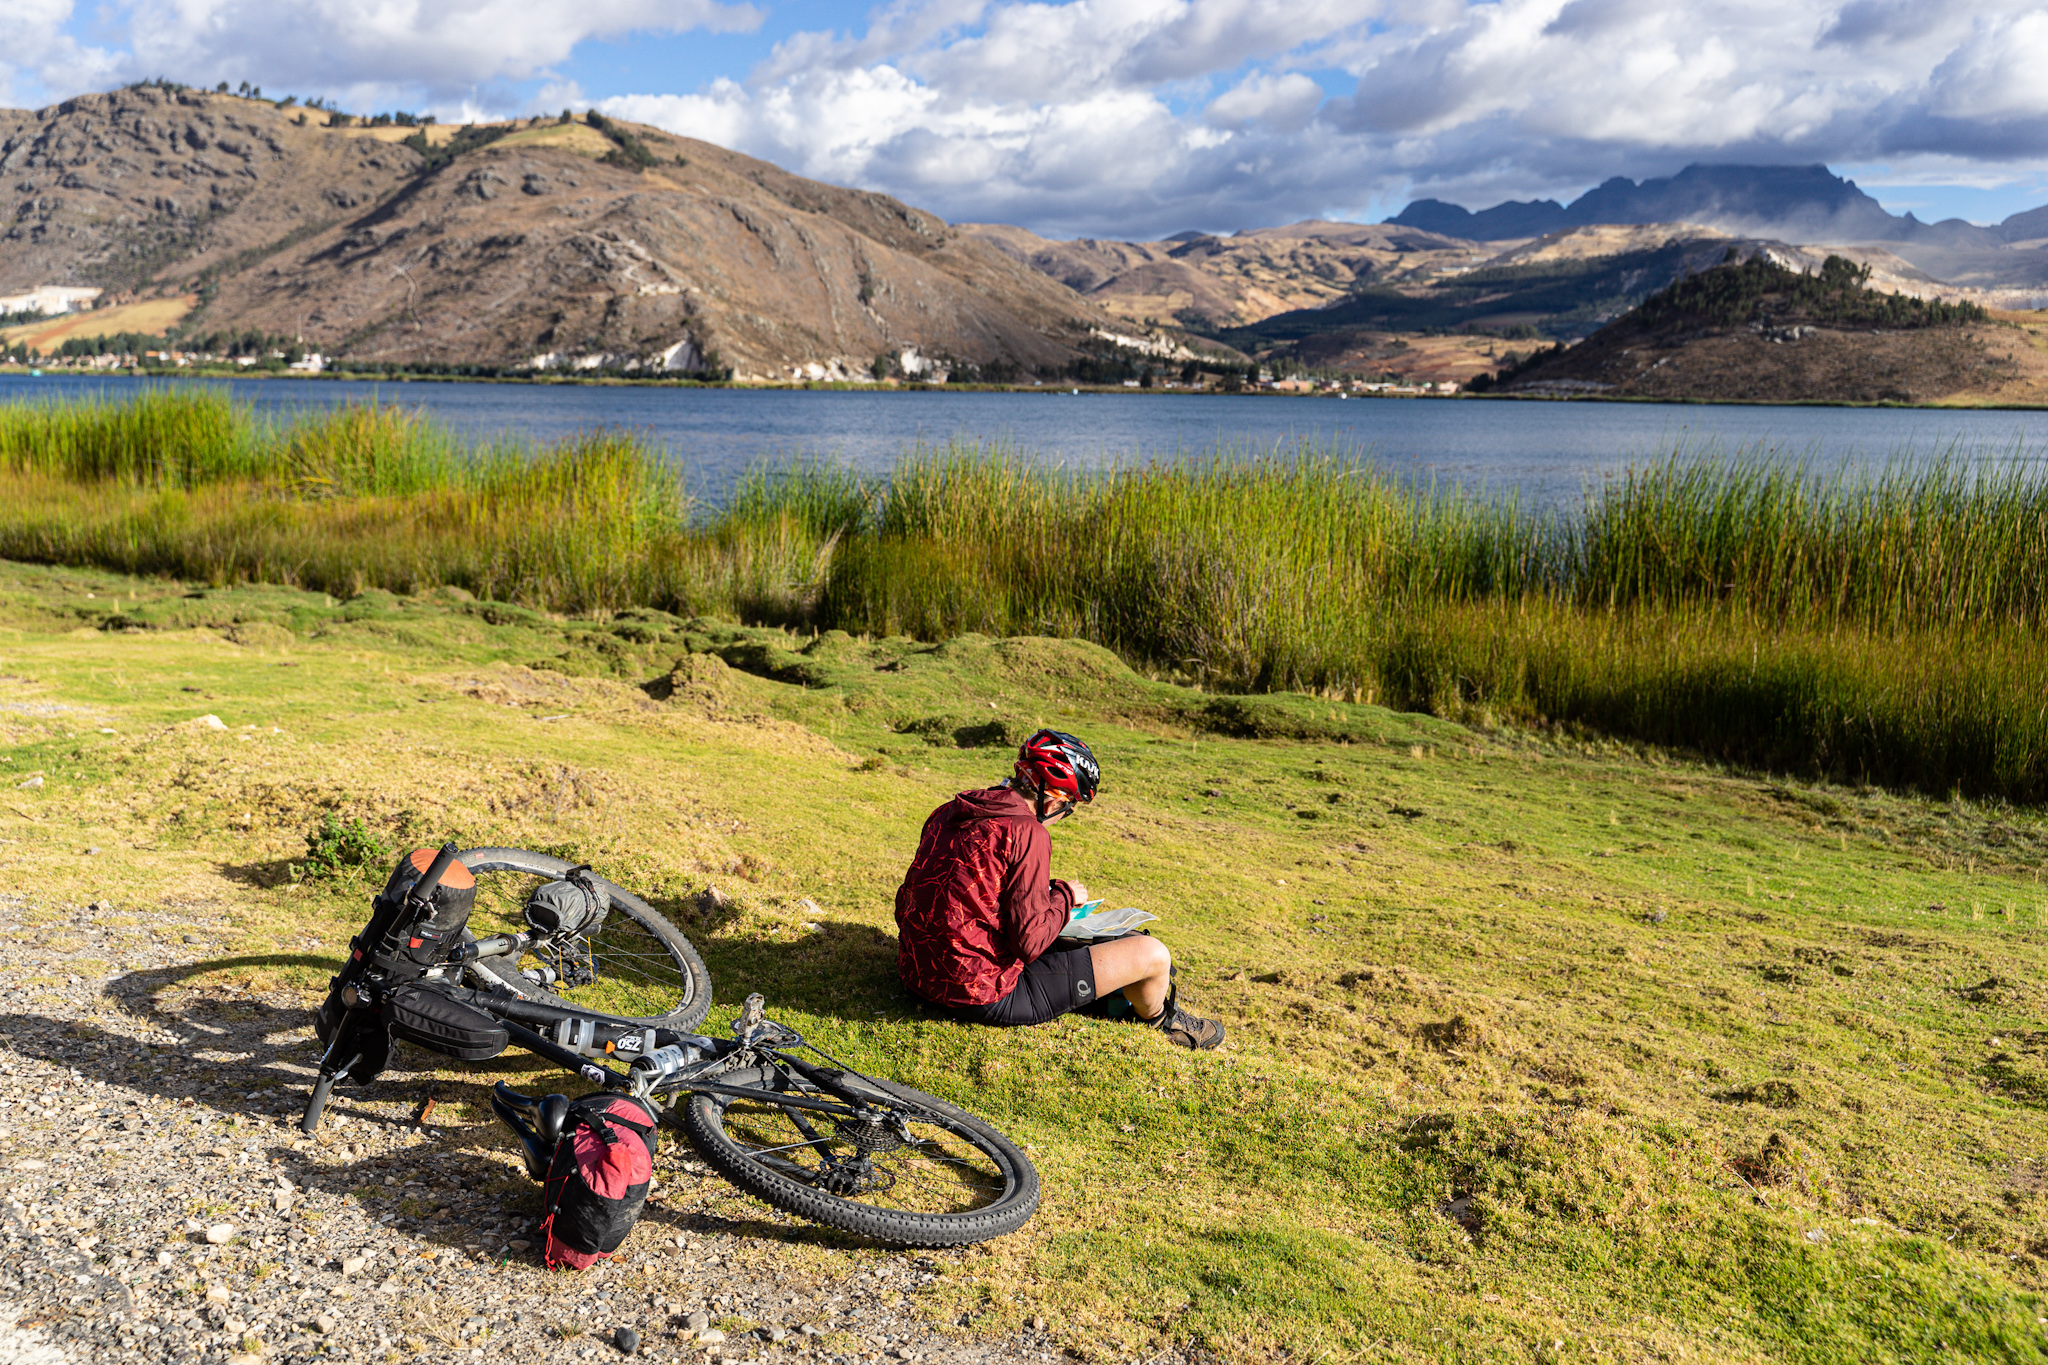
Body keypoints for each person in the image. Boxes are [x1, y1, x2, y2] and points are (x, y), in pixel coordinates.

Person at [894, 728, 1225, 1049]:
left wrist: (1047, 894)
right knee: (1152, 954)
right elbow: (1029, 943)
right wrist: (1065, 897)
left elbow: (925, 896)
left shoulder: (952, 811)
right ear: (1053, 800)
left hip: (916, 975)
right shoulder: (1027, 832)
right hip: (980, 994)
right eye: (1069, 808)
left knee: (1110, 942)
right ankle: (1163, 1021)